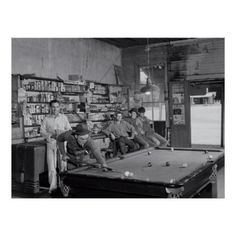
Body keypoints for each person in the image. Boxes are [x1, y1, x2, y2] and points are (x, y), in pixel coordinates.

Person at [40, 100, 71, 193]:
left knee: (63, 166)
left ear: (59, 107)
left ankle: (64, 187)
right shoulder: (46, 119)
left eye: (57, 107)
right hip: (51, 144)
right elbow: (42, 131)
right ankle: (53, 188)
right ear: (50, 108)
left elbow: (69, 130)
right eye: (53, 107)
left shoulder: (64, 118)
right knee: (52, 167)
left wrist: (62, 133)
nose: (55, 109)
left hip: (62, 144)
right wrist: (50, 135)